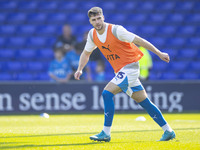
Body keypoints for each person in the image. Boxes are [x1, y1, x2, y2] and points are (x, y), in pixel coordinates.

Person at [74, 7, 175, 142]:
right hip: (121, 71)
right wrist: (80, 69)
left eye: (99, 18)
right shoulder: (92, 35)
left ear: (103, 17)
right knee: (145, 102)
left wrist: (159, 53)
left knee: (106, 93)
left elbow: (139, 40)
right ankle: (168, 131)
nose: (97, 22)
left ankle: (105, 133)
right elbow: (86, 53)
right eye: (94, 20)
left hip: (130, 67)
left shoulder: (116, 30)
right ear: (90, 21)